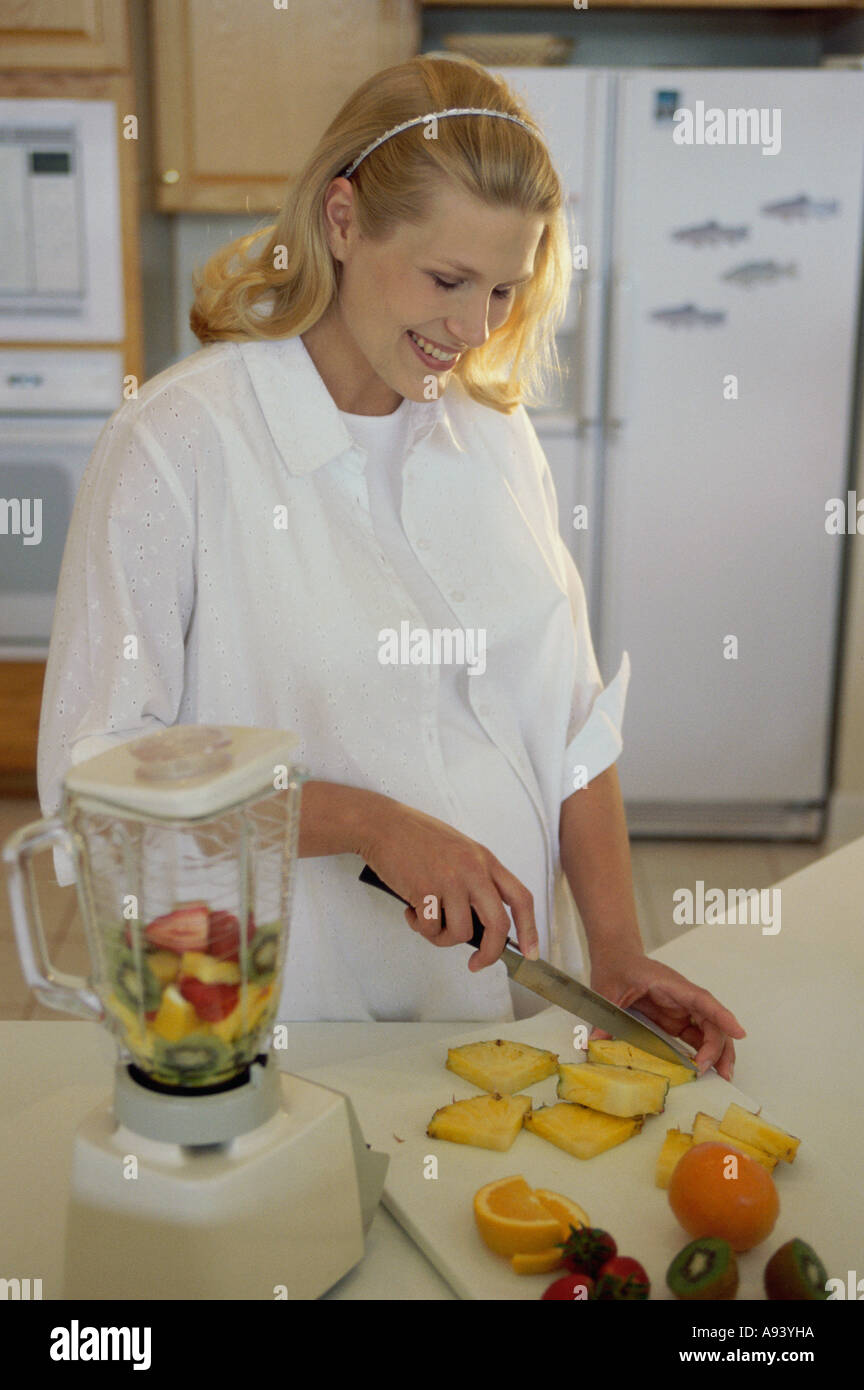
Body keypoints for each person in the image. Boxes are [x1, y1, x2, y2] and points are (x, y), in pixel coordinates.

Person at [38, 55, 743, 1075]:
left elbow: (573, 726)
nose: (473, 328)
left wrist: (619, 951)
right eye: (447, 280)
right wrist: (366, 823)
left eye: (504, 287)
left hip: (502, 1023)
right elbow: (98, 780)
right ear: (341, 221)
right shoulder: (179, 444)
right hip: (288, 1038)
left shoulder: (498, 441)